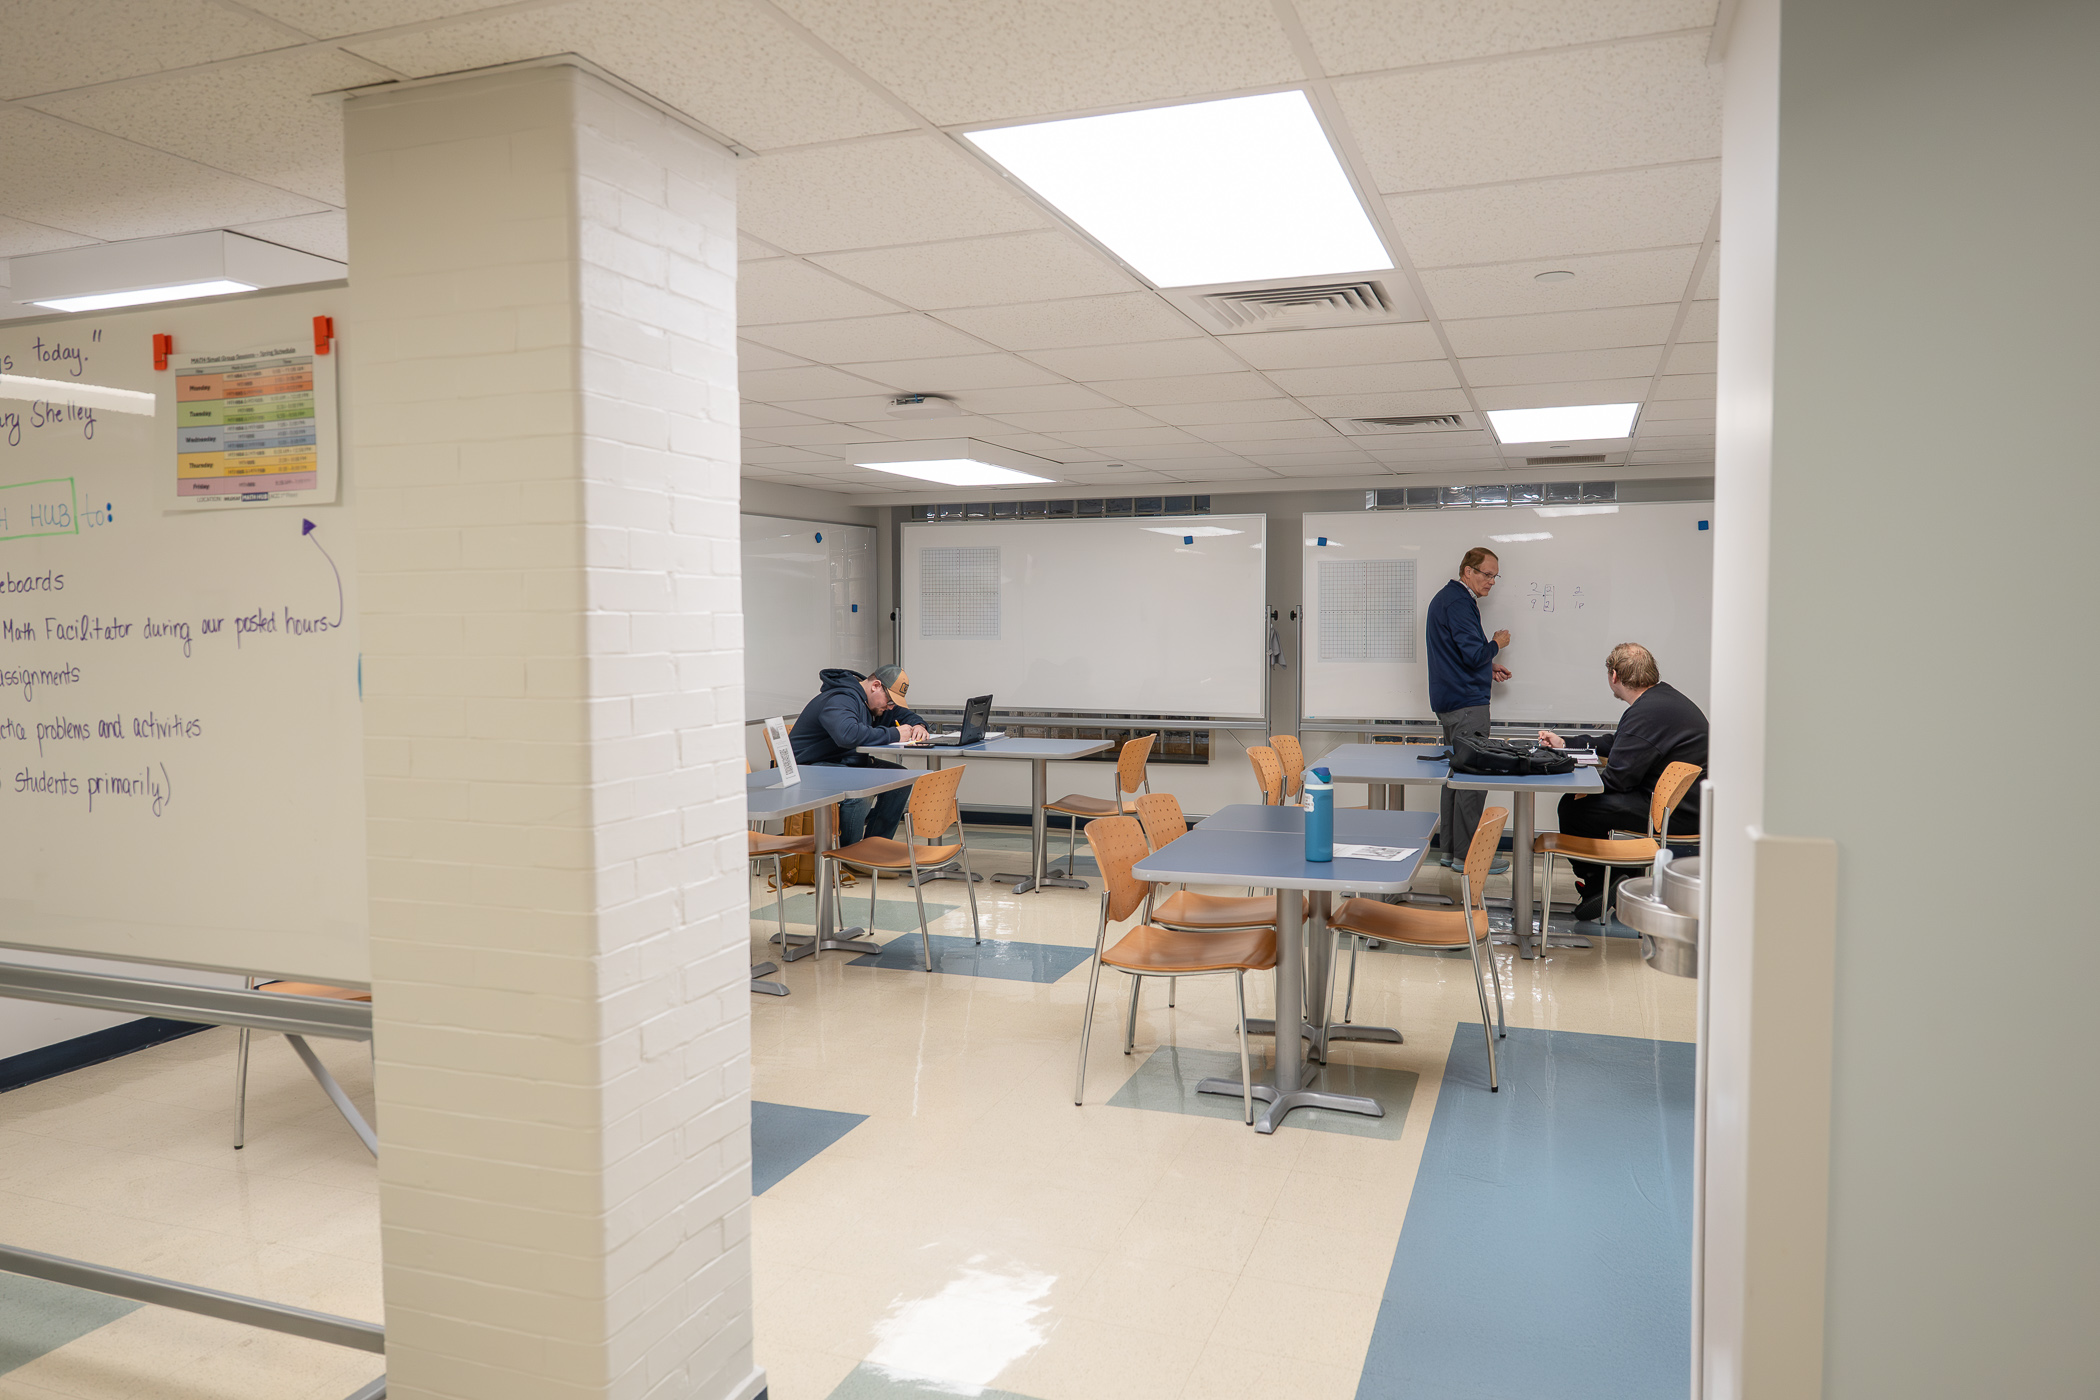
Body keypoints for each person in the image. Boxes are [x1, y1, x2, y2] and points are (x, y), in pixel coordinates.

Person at [1538, 642, 1709, 922]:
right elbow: (1618, 742)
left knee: (1575, 808)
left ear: (1614, 676)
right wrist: (1566, 743)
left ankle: (1601, 884)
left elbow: (1618, 779)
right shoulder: (1661, 701)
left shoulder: (1647, 711)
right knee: (1580, 803)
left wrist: (1583, 787)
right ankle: (1619, 876)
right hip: (1684, 806)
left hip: (1675, 815)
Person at [1425, 546, 1513, 872]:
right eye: (1487, 574)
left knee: (1455, 778)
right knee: (1471, 780)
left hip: (1452, 702)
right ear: (1468, 572)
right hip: (1467, 706)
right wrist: (1497, 644)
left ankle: (1450, 852)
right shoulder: (1459, 603)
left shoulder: (1448, 600)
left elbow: (1458, 655)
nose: (1492, 581)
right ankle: (1469, 858)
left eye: (1495, 576)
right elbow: (1474, 654)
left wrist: (1487, 668)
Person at [786, 665, 928, 845]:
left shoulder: (871, 703)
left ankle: (876, 847)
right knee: (860, 791)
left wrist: (919, 726)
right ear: (876, 686)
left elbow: (902, 714)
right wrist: (895, 734)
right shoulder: (841, 698)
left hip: (843, 763)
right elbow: (847, 735)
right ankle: (848, 853)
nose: (890, 707)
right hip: (810, 768)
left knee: (900, 778)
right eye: (890, 701)